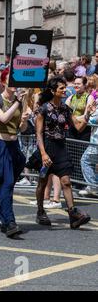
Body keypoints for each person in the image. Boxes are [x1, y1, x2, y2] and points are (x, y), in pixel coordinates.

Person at [33, 76, 93, 229]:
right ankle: (40, 211)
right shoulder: (44, 108)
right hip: (46, 147)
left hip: (61, 148)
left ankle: (73, 215)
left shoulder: (66, 109)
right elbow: (38, 133)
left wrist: (87, 114)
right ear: (53, 91)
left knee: (66, 181)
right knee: (43, 181)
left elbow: (78, 128)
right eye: (61, 88)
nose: (65, 90)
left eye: (65, 87)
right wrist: (43, 154)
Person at [0, 68, 28, 237]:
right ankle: (10, 221)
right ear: (4, 82)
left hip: (13, 144)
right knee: (2, 182)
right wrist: (18, 103)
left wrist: (24, 120)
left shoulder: (20, 101)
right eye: (12, 81)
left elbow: (22, 128)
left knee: (7, 183)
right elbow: (3, 118)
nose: (15, 85)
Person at [79, 98, 98, 197]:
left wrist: (90, 112)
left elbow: (92, 120)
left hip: (96, 142)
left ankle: (93, 186)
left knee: (85, 161)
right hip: (95, 141)